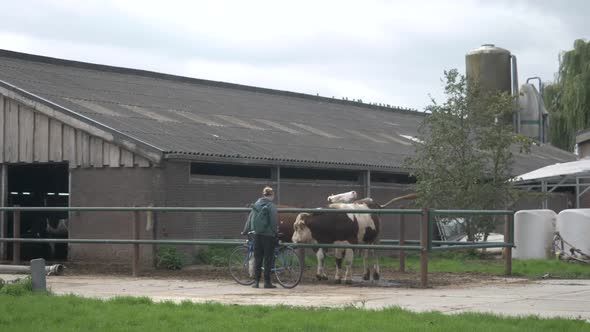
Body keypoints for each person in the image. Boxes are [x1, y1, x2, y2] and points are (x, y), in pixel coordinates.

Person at [242, 186, 279, 289]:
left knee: (258, 258)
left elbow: (250, 218)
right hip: (268, 236)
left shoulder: (257, 204)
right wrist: (275, 232)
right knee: (268, 259)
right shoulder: (271, 206)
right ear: (272, 195)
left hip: (257, 235)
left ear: (263, 194)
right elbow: (273, 221)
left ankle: (256, 282)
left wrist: (245, 230)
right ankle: (267, 282)